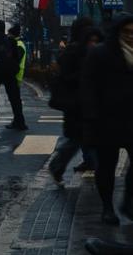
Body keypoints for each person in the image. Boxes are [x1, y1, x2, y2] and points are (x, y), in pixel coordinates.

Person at [80, 14, 133, 225]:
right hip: (107, 119)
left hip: (131, 118)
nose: (130, 36)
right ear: (118, 32)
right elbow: (88, 86)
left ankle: (128, 200)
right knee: (106, 167)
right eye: (127, 32)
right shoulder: (101, 53)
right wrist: (91, 116)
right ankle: (107, 208)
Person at [47, 17, 102, 186]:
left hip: (89, 106)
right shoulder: (73, 52)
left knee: (83, 140)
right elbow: (66, 78)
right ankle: (57, 166)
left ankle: (93, 168)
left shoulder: (92, 50)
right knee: (75, 141)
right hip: (76, 106)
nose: (92, 41)